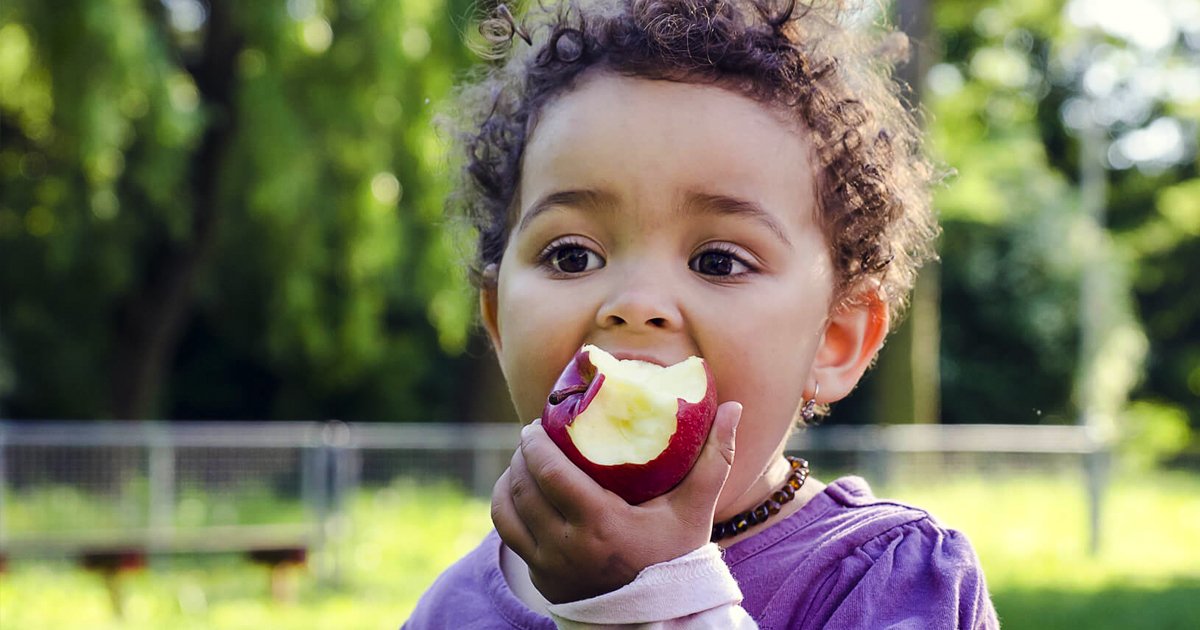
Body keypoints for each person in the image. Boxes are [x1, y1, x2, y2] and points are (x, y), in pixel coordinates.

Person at [407, 0, 999, 627]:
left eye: (718, 261)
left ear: (835, 339)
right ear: (498, 321)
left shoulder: (887, 581)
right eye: (573, 256)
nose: (636, 304)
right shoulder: (454, 608)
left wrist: (652, 600)